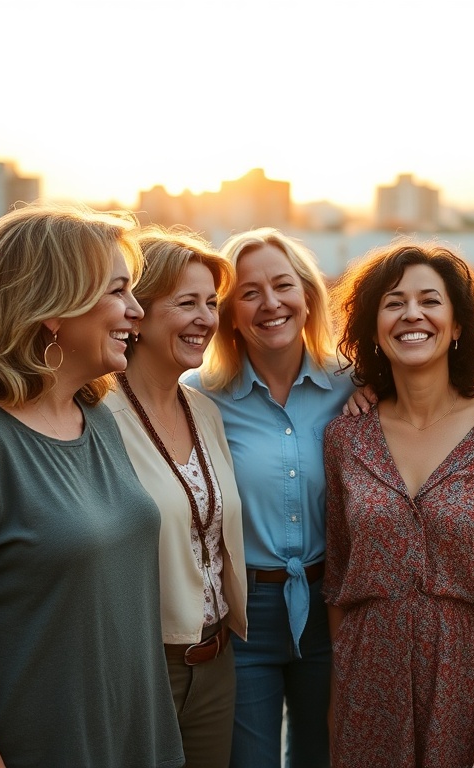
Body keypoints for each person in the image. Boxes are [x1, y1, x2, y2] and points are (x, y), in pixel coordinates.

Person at [0, 203, 184, 767]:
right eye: (118, 291)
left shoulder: (96, 418)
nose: (135, 311)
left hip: (130, 747)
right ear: (55, 309)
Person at [324, 241, 474, 768]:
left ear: (458, 324)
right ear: (373, 327)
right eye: (394, 302)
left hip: (472, 674)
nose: (412, 314)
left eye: (430, 300)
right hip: (368, 677)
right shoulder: (345, 437)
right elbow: (337, 579)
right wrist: (342, 692)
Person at [182, 227, 357, 768]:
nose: (271, 303)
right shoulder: (196, 394)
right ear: (229, 313)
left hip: (335, 605)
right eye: (249, 293)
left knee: (323, 756)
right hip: (245, 613)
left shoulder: (356, 384)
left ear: (308, 296)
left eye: (283, 285)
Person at [104, 226, 248, 767]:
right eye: (186, 302)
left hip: (216, 659)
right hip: (140, 664)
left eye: (211, 304)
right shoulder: (96, 418)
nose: (206, 319)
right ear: (137, 314)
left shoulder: (205, 411)